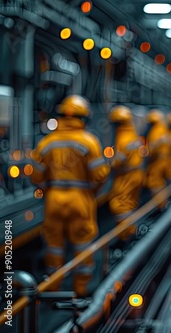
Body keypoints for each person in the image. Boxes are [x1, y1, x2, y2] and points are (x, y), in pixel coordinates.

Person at [30, 94, 110, 297]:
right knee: (82, 245)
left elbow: (36, 176)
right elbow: (101, 175)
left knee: (54, 246)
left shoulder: (47, 143)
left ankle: (53, 290)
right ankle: (80, 291)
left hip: (54, 200)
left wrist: (48, 189)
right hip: (81, 200)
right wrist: (91, 191)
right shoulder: (89, 142)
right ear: (83, 118)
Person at [108, 105, 144, 242]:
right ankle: (131, 231)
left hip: (126, 177)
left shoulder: (123, 137)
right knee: (130, 202)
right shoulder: (132, 134)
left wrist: (110, 165)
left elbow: (120, 160)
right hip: (136, 174)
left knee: (121, 204)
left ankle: (126, 236)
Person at [144, 109, 171, 207]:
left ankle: (161, 205)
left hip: (157, 162)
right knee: (161, 182)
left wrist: (147, 151)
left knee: (155, 183)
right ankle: (164, 203)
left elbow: (152, 149)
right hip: (164, 160)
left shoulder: (155, 132)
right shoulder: (164, 130)